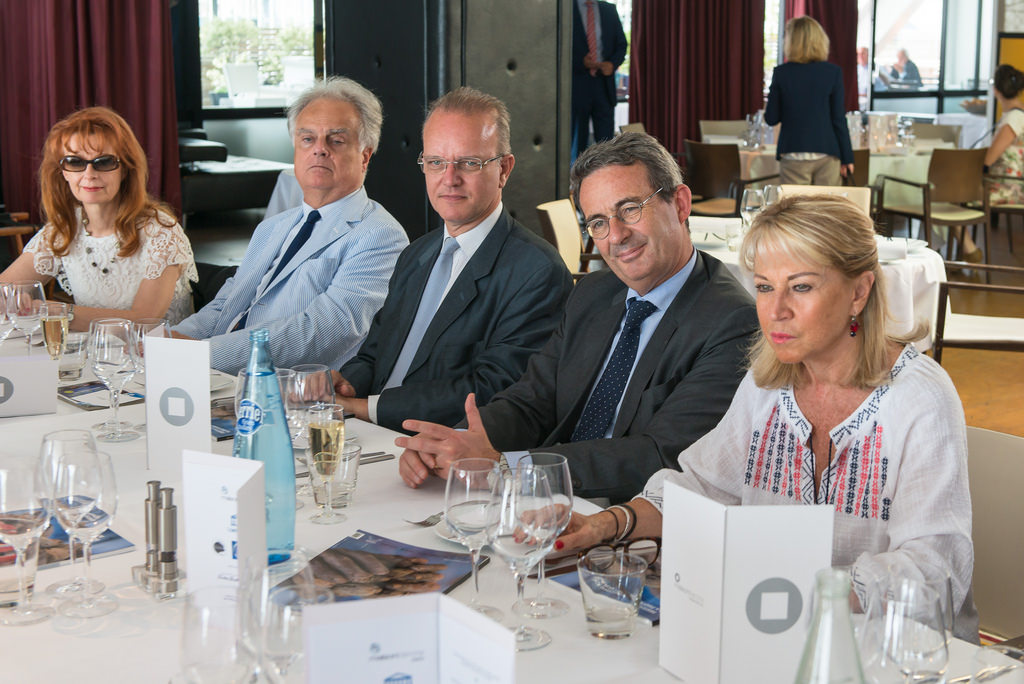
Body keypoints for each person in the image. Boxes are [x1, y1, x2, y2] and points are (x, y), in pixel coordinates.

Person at [557, 195, 978, 641]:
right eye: (763, 287)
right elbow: (702, 487)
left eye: (801, 287)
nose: (775, 311)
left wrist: (795, 586)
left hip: (894, 649)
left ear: (859, 291)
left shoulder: (918, 398)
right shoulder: (767, 384)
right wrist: (604, 525)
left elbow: (934, 568)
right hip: (772, 631)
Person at [396, 132, 759, 502]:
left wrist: (507, 468)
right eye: (598, 222)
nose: (616, 235)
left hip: (627, 512)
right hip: (545, 495)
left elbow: (661, 455)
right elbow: (532, 400)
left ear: (680, 204)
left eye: (630, 209)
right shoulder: (593, 293)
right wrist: (452, 444)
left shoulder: (733, 322)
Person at [332, 88, 572, 432]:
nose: (449, 178)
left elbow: (494, 388)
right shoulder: (416, 254)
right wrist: (346, 384)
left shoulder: (537, 272)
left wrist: (364, 408)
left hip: (436, 444)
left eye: (469, 163)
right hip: (367, 429)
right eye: (436, 162)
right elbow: (375, 354)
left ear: (504, 169)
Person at [173, 77, 408, 374]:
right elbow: (227, 304)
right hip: (215, 376)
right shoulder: (272, 227)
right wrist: (169, 342)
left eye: (336, 140)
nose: (319, 149)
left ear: (364, 156)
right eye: (308, 139)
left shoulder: (380, 236)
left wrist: (200, 356)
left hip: (290, 389)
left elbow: (319, 332)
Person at [1, 106, 197, 328]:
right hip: (96, 349)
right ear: (63, 172)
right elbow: (3, 290)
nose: (89, 174)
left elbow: (144, 322)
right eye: (75, 162)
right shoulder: (63, 229)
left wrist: (57, 312)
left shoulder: (162, 231)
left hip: (161, 348)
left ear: (125, 169)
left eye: (104, 162)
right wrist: (13, 300)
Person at [765, 16, 854, 186]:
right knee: (826, 203)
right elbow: (838, 119)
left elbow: (771, 118)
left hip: (793, 151)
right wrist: (847, 157)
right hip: (827, 151)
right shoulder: (833, 72)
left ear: (791, 42)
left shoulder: (781, 73)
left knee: (796, 204)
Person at [571, 0, 628, 162]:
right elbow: (557, 45)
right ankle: (575, 177)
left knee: (607, 146)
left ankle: (605, 175)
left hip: (604, 86)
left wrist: (612, 64)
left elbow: (621, 45)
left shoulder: (608, 9)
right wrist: (580, 62)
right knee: (577, 143)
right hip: (577, 86)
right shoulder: (567, 9)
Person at [985, 64, 1024, 208]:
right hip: (1016, 184)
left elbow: (988, 160)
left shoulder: (1013, 119)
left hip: (1010, 188)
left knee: (955, 193)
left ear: (995, 90)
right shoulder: (1019, 114)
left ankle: (965, 229)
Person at [856, 46, 871, 111]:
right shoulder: (855, 70)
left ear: (868, 55)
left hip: (868, 102)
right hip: (858, 102)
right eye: (858, 54)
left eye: (863, 54)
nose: (860, 56)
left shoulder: (873, 69)